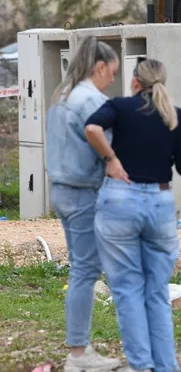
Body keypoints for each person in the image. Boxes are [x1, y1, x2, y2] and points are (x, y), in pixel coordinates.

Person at [84, 58, 181, 372]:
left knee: (127, 289)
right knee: (156, 292)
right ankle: (166, 366)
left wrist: (110, 158)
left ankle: (141, 365)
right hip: (159, 202)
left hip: (120, 199)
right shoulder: (176, 115)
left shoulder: (119, 107)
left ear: (135, 82)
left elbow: (92, 128)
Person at [45, 36, 122, 372]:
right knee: (85, 271)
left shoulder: (62, 96)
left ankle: (81, 350)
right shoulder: (92, 100)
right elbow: (109, 143)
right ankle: (78, 354)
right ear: (100, 67)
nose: (113, 80)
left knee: (84, 266)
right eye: (112, 72)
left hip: (61, 189)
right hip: (83, 192)